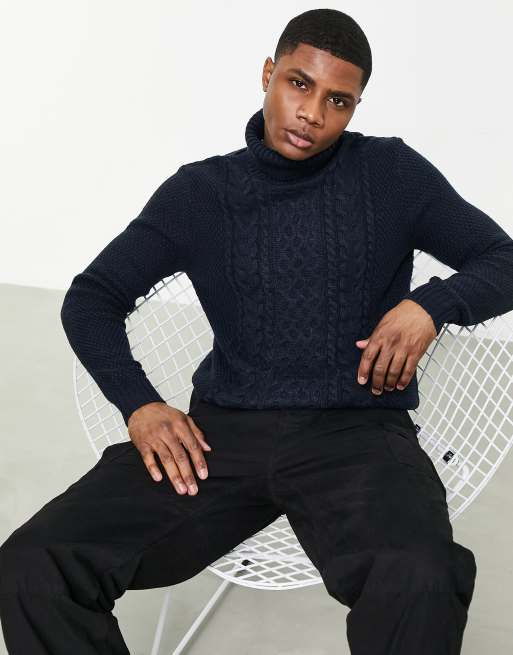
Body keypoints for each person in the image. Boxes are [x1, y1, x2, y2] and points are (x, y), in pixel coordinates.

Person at [1, 8, 512, 654]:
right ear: (268, 73)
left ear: (355, 106)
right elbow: (92, 298)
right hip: (220, 440)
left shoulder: (390, 174)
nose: (312, 114)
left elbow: (502, 259)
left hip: (356, 434)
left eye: (337, 101)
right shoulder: (200, 193)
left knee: (421, 575)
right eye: (299, 84)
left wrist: (431, 305)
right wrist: (140, 405)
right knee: (34, 564)